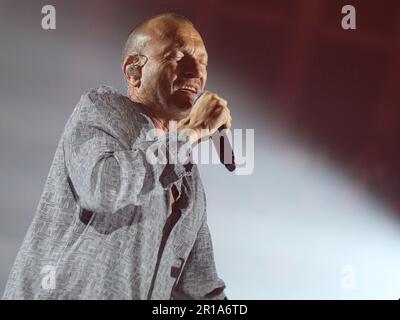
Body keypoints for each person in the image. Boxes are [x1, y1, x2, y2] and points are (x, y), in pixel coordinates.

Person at [2, 13, 232, 300]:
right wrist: (191, 132)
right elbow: (104, 189)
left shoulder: (188, 178)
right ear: (134, 71)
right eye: (176, 56)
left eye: (203, 62)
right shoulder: (102, 109)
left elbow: (201, 290)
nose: (196, 71)